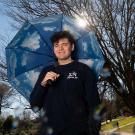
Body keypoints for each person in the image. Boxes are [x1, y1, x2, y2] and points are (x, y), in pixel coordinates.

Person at [29, 31, 101, 135]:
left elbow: (94, 105)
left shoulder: (84, 70)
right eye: (56, 45)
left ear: (72, 47)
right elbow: (34, 105)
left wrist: (93, 131)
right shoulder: (46, 71)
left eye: (64, 44)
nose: (60, 48)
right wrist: (43, 85)